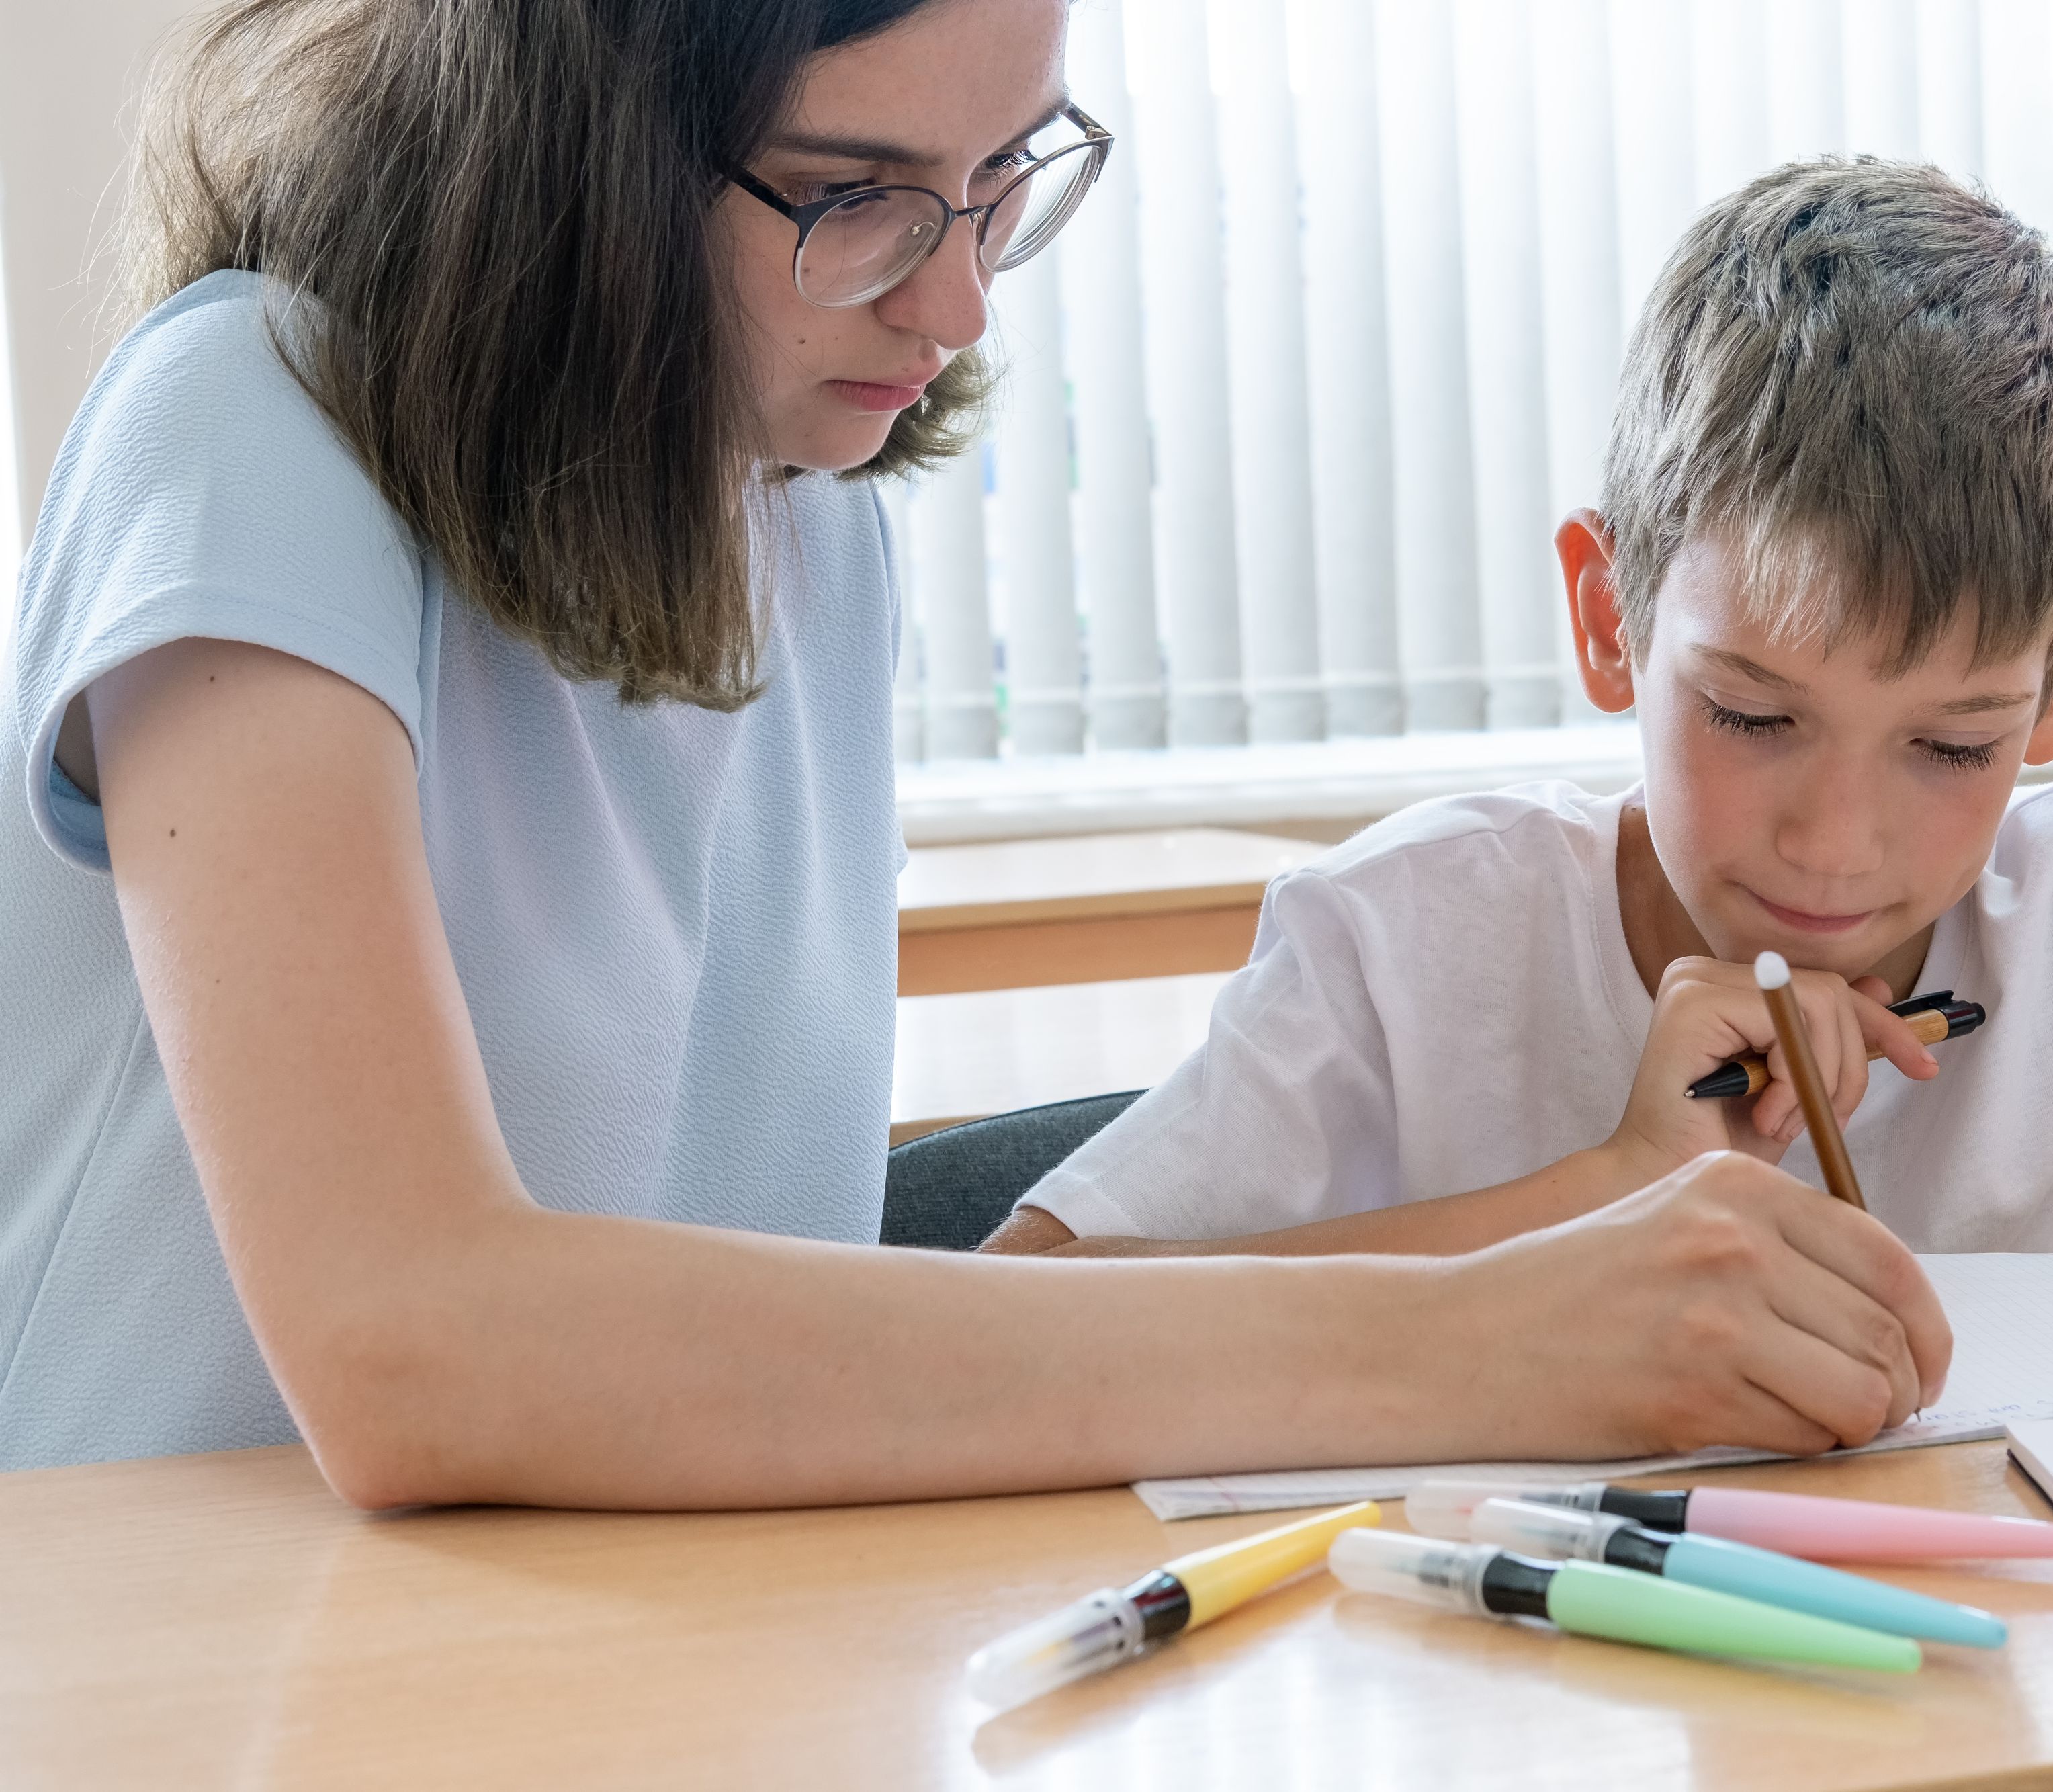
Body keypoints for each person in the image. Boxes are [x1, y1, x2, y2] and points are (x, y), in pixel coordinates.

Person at [1, 0, 1951, 1502]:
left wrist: (1590, 1211)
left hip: (613, 1667)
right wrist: (1471, 1342)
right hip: (186, 1675)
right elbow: (416, 1342)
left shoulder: (815, 541)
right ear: (573, 152)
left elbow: (819, 1354)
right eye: (855, 198)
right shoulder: (251, 425)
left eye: (1005, 180)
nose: (954, 300)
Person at [989, 158, 2053, 1386]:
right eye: (1748, 715)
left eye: (1952, 743)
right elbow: (1004, 1324)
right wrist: (1602, 1196)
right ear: (1607, 618)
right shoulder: (1400, 945)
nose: (1838, 840)